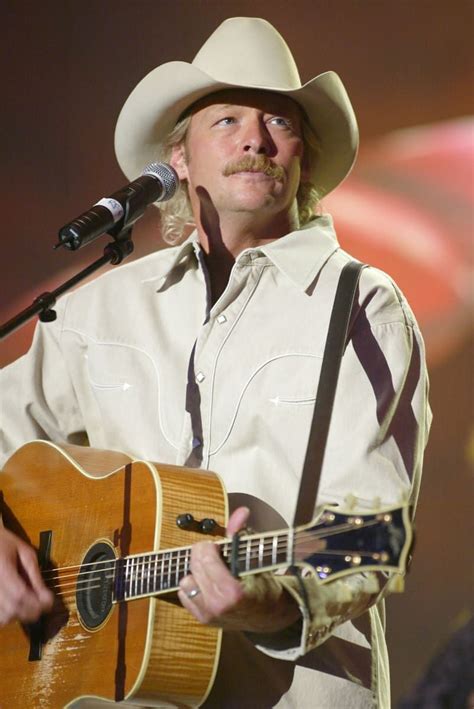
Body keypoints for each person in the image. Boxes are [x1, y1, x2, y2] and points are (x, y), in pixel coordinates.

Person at [0, 17, 431, 709]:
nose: (254, 139)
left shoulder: (363, 305)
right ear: (178, 161)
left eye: (278, 122)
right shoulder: (96, 307)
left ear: (304, 161)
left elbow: (373, 529)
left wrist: (273, 599)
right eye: (226, 119)